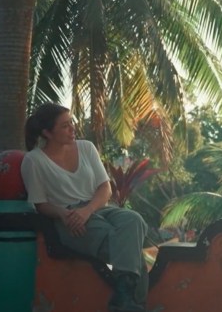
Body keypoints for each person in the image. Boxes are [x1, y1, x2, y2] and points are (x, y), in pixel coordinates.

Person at [21, 103, 148, 312]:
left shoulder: (86, 147)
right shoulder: (33, 161)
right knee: (120, 243)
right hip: (68, 218)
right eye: (65, 126)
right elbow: (40, 204)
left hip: (97, 207)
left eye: (71, 122)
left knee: (134, 220)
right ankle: (131, 302)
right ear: (47, 133)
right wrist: (63, 213)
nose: (72, 128)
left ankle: (124, 300)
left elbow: (105, 188)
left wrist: (87, 210)